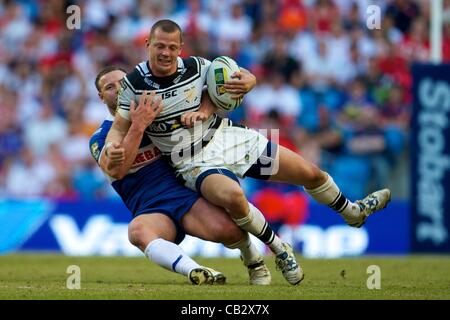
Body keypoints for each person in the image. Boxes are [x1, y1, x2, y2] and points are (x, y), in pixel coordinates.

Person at [108, 19, 391, 286]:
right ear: (148, 44)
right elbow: (119, 128)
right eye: (160, 46)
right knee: (233, 195)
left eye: (172, 47)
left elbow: (235, 78)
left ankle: (353, 212)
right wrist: (112, 146)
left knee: (310, 173)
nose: (166, 53)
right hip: (191, 159)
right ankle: (280, 249)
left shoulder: (196, 66)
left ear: (180, 48)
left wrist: (247, 83)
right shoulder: (134, 84)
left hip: (230, 137)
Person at [90, 66, 271, 286]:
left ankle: (253, 259)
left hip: (188, 197)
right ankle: (196, 271)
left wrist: (250, 78)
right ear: (101, 97)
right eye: (110, 87)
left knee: (231, 233)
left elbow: (213, 82)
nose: (118, 90)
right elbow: (116, 170)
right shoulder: (101, 139)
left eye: (122, 83)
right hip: (150, 208)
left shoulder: (162, 115)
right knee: (137, 232)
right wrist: (138, 125)